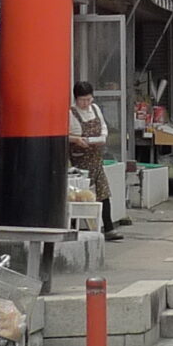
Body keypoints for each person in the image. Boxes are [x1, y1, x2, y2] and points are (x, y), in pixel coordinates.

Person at [68, 80, 122, 240]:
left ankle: (109, 228)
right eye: (82, 100)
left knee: (103, 193)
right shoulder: (70, 113)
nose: (86, 103)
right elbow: (64, 136)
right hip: (80, 161)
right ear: (76, 99)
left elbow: (103, 127)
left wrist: (102, 138)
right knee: (77, 195)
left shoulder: (95, 109)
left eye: (89, 99)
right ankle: (73, 228)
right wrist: (76, 140)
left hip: (96, 158)